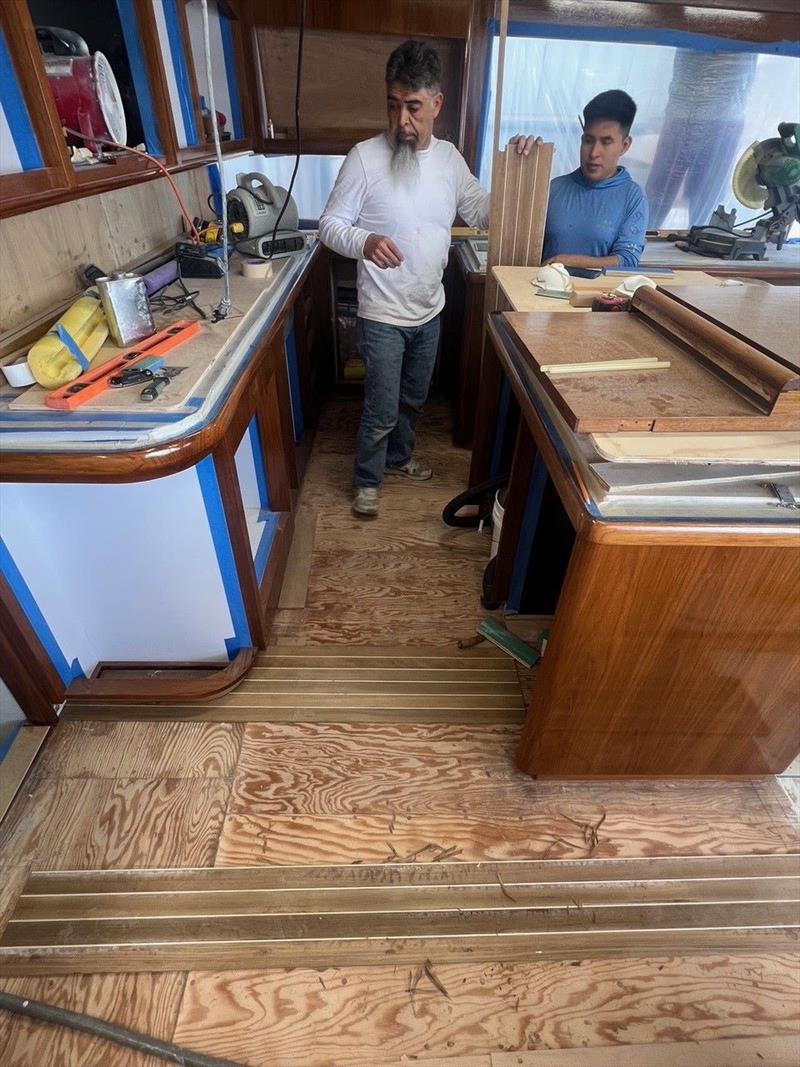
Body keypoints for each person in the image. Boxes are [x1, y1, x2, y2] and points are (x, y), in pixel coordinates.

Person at [319, 39, 536, 517]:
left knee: (413, 399)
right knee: (380, 408)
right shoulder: (364, 157)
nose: (402, 122)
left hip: (428, 309)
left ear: (436, 104)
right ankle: (368, 479)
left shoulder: (450, 160)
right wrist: (365, 241)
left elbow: (482, 211)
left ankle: (398, 460)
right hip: (381, 315)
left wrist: (518, 171)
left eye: (413, 108)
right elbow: (330, 226)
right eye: (394, 106)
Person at [541, 90, 647, 272]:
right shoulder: (554, 188)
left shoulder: (632, 197)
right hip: (540, 294)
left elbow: (627, 260)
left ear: (625, 145)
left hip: (595, 297)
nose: (593, 153)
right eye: (588, 140)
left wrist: (563, 261)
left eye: (606, 142)